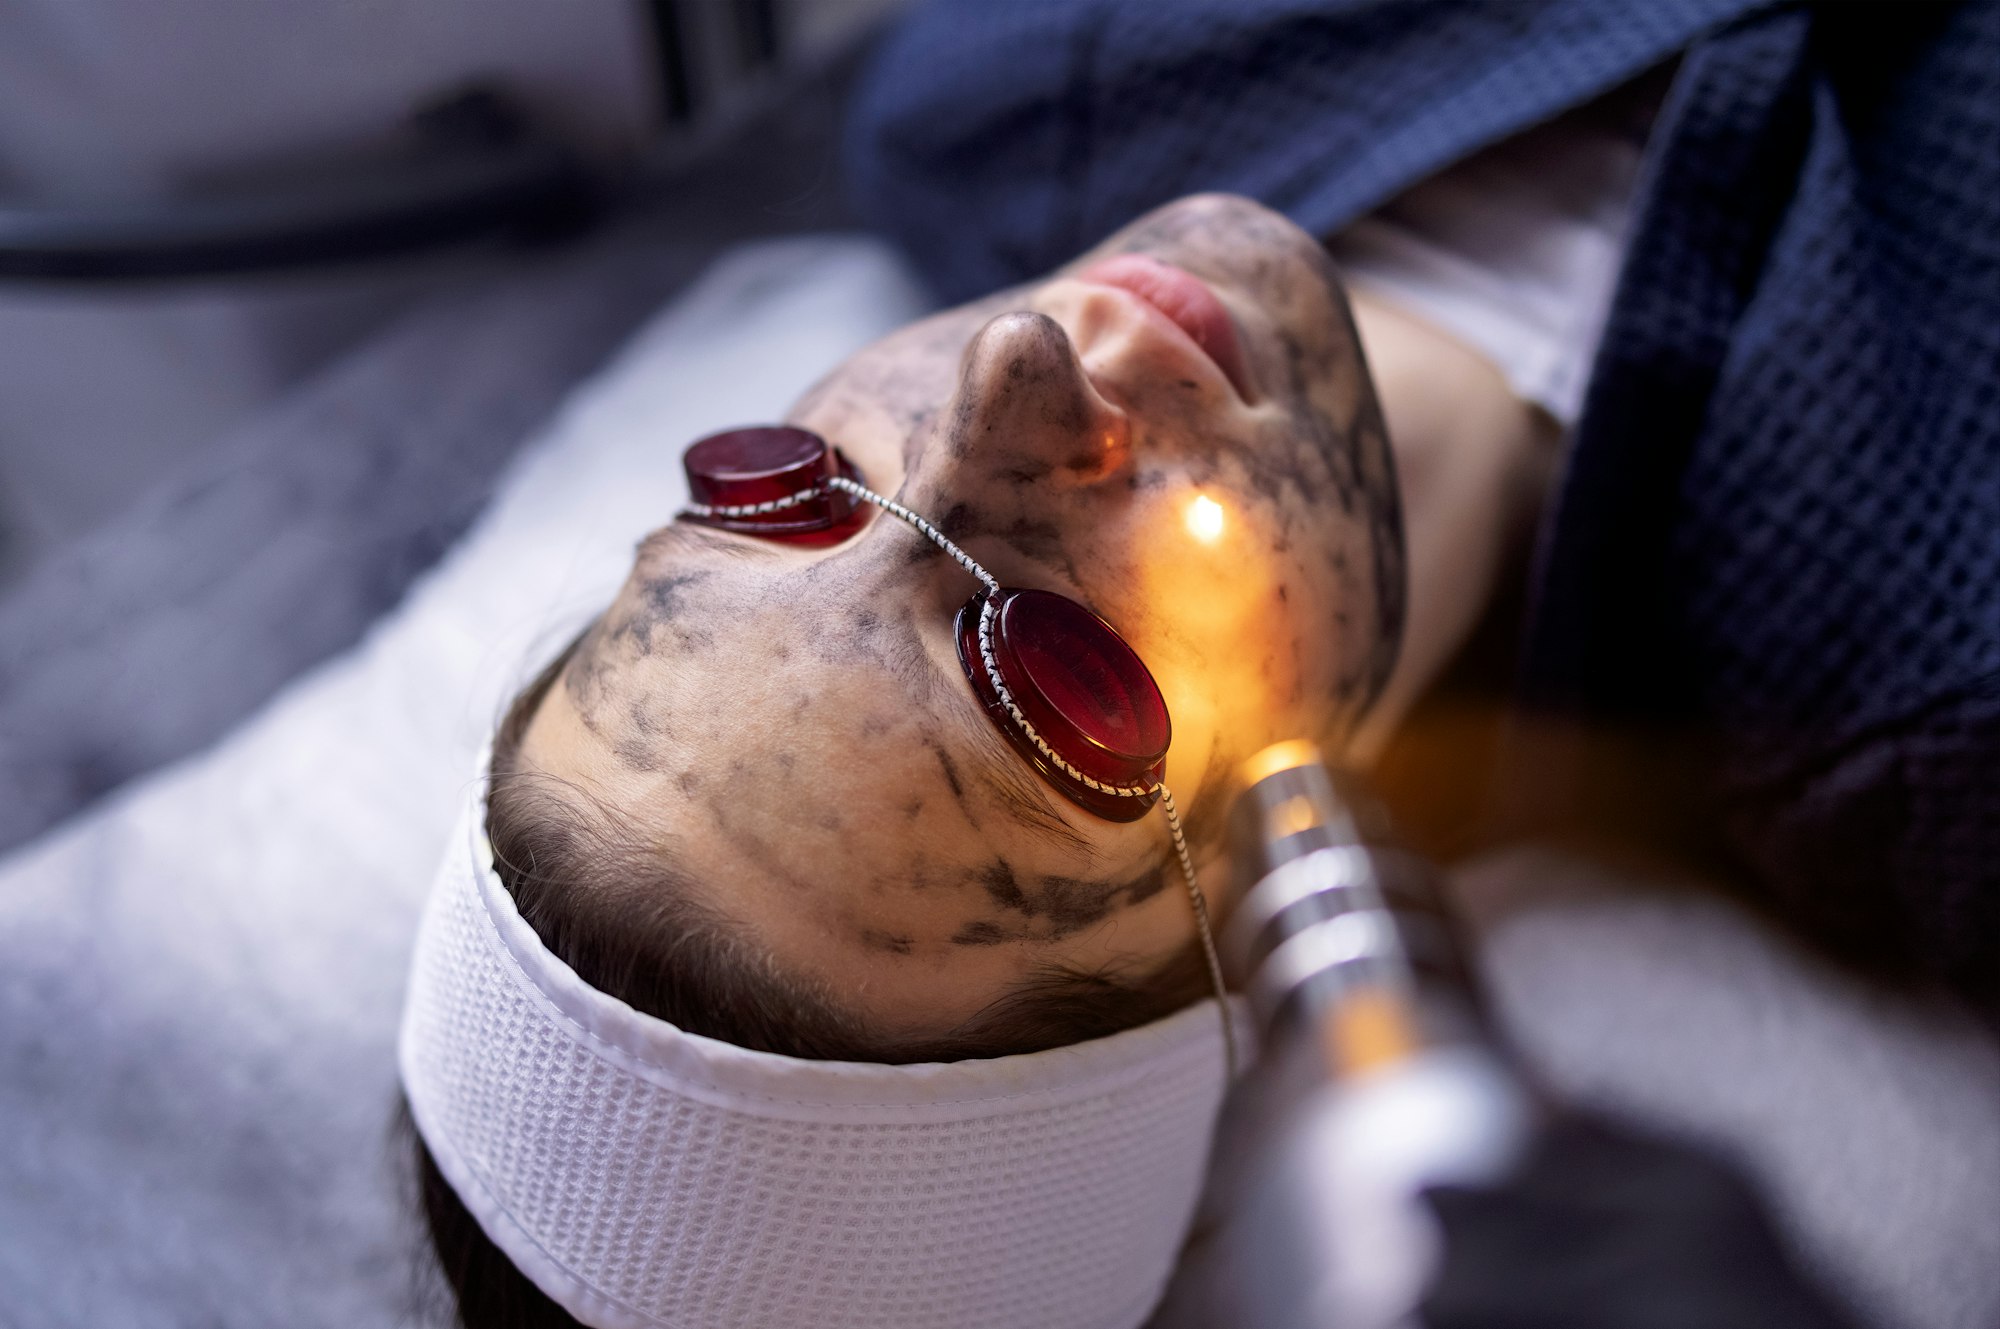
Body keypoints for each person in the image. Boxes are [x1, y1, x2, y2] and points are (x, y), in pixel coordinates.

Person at [404, 191, 1520, 1328]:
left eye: (786, 491)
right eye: (1057, 681)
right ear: (1244, 947)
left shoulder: (975, 103)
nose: (1009, 362)